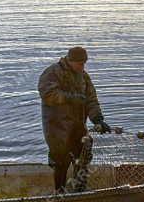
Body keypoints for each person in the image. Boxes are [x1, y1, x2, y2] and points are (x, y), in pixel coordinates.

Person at [38, 46, 111, 192]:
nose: (82, 66)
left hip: (78, 127)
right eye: (79, 63)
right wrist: (71, 98)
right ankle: (59, 192)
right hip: (57, 128)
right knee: (60, 162)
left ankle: (79, 191)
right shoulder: (53, 72)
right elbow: (47, 94)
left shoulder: (83, 76)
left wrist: (98, 119)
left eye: (84, 63)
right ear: (70, 60)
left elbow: (91, 99)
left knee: (83, 158)